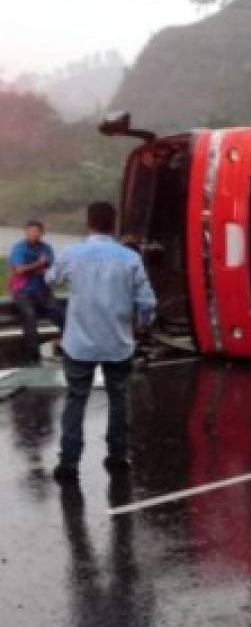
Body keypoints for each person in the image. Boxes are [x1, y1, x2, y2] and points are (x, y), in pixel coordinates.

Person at [47, 202, 157, 482]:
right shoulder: (130, 258)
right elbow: (146, 301)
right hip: (117, 341)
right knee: (119, 398)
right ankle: (117, 456)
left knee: (76, 399)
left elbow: (52, 280)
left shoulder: (72, 254)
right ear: (114, 224)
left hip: (79, 341)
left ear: (89, 222)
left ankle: (69, 463)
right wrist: (143, 323)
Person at [8, 221, 66, 365]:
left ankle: (67, 349)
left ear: (42, 233)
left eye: (37, 231)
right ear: (25, 232)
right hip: (23, 291)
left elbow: (51, 269)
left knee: (63, 315)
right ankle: (33, 357)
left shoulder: (46, 248)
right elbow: (18, 270)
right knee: (29, 316)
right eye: (31, 231)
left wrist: (34, 268)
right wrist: (38, 265)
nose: (34, 234)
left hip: (43, 291)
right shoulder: (19, 248)